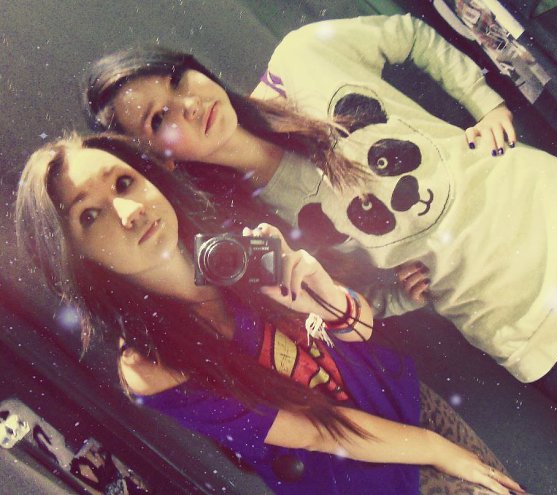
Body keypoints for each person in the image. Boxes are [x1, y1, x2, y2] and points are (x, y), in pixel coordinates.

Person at [82, 14, 557, 414]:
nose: (188, 104)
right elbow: (341, 302)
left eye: (177, 80)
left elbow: (410, 35)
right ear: (160, 159)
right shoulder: (248, 233)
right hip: (514, 323)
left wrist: (485, 103)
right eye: (160, 117)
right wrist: (399, 296)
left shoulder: (301, 58)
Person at [15, 133, 527, 495]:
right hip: (364, 477)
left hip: (407, 403)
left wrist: (321, 295)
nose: (128, 213)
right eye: (89, 215)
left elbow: (362, 330)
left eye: (124, 183)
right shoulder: (151, 365)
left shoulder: (237, 250)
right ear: (75, 258)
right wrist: (436, 450)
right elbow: (316, 431)